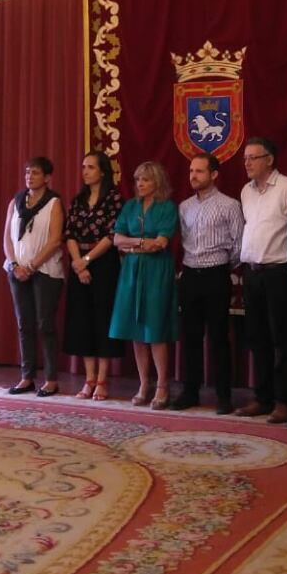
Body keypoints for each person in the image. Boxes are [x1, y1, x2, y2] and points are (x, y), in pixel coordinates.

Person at [236, 137, 287, 423]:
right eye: (246, 158)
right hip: (252, 272)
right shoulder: (245, 191)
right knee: (257, 337)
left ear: (270, 160)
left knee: (282, 339)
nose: (247, 163)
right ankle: (262, 397)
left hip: (279, 272)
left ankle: (284, 400)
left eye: (253, 157)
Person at [174, 153, 244, 413]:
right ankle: (190, 391)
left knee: (218, 338)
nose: (193, 175)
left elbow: (239, 244)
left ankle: (223, 396)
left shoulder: (229, 205)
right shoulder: (184, 206)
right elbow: (183, 240)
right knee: (190, 337)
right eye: (191, 171)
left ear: (214, 174)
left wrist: (222, 263)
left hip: (216, 274)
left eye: (199, 171)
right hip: (190, 274)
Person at [109, 161, 179, 410]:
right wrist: (140, 242)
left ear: (157, 182)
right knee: (136, 331)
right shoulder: (130, 206)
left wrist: (132, 244)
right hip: (131, 271)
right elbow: (117, 239)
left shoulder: (167, 207)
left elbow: (161, 242)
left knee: (155, 329)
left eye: (146, 179)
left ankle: (162, 385)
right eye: (138, 179)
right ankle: (143, 383)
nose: (140, 184)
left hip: (156, 270)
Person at [62, 151, 124, 401]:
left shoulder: (114, 199)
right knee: (82, 321)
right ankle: (88, 379)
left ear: (102, 171)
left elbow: (112, 235)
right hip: (78, 264)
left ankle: (102, 380)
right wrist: (78, 263)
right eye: (83, 166)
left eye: (90, 167)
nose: (85, 171)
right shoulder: (78, 200)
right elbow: (69, 234)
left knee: (103, 320)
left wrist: (87, 260)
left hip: (104, 264)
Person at [2, 156, 64, 397]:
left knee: (44, 324)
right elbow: (7, 236)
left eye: (35, 173)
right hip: (16, 270)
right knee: (23, 324)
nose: (29, 176)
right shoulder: (16, 201)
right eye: (27, 172)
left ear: (47, 177)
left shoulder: (54, 203)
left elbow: (55, 239)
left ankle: (50, 378)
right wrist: (16, 264)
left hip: (45, 271)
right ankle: (26, 376)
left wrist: (31, 266)